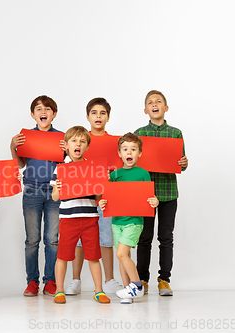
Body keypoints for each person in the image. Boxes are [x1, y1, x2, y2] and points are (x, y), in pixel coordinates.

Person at [66, 98, 123, 295]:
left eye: (102, 113)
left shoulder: (116, 142)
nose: (98, 116)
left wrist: (111, 174)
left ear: (108, 116)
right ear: (87, 116)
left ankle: (109, 279)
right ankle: (75, 280)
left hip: (106, 197)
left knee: (106, 237)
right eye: (94, 113)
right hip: (83, 198)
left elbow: (122, 165)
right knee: (80, 241)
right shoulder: (79, 139)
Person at [135, 90, 188, 296]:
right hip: (145, 193)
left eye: (158, 102)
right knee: (144, 237)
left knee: (166, 237)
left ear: (165, 108)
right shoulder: (139, 133)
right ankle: (142, 279)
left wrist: (184, 163)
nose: (154, 104)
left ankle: (164, 280)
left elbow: (181, 163)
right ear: (145, 110)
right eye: (150, 102)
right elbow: (130, 159)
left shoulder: (175, 133)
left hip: (168, 193)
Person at [10, 95, 64, 297]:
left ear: (54, 114)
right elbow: (21, 164)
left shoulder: (62, 138)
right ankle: (32, 281)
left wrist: (67, 152)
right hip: (31, 189)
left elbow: (69, 164)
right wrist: (12, 147)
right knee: (32, 239)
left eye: (48, 109)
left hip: (54, 191)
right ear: (32, 115)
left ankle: (50, 280)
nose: (43, 112)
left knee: (52, 239)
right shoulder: (25, 137)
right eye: (39, 109)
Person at [51, 126, 110, 304]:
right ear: (66, 146)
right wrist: (59, 188)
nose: (78, 144)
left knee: (93, 256)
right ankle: (59, 290)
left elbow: (98, 197)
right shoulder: (60, 169)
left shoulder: (93, 169)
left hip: (90, 219)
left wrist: (103, 183)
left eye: (82, 141)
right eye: (74, 141)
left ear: (87, 147)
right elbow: (55, 197)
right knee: (63, 256)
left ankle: (98, 290)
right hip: (68, 220)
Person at [99, 133, 159, 304]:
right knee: (122, 256)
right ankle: (128, 291)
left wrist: (155, 201)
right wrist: (103, 202)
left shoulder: (143, 174)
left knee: (121, 253)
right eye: (125, 149)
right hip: (117, 222)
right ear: (119, 153)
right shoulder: (115, 175)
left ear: (139, 153)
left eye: (133, 149)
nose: (129, 152)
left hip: (134, 222)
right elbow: (108, 197)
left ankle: (137, 286)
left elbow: (150, 198)